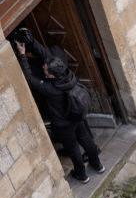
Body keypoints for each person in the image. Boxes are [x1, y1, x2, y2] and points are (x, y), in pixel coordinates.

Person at [14, 36, 103, 183]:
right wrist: (31, 42)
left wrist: (23, 55)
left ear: (51, 75)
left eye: (46, 69)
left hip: (64, 124)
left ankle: (82, 175)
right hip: (77, 116)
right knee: (86, 139)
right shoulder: (68, 75)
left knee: (73, 148)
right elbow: (48, 57)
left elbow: (29, 78)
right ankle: (98, 165)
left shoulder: (50, 89)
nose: (43, 68)